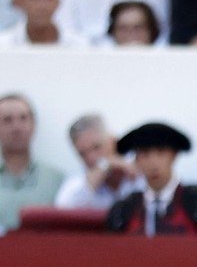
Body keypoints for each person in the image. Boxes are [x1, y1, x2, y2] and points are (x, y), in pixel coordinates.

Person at [106, 119, 197, 234]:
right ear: (137, 159)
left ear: (173, 155)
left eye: (161, 153)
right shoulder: (124, 210)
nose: (153, 163)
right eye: (145, 154)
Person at [0, 92, 64, 230]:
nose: (16, 127)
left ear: (33, 124)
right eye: (7, 120)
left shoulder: (56, 180)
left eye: (23, 118)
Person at [54, 113, 138, 210]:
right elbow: (62, 212)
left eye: (96, 147)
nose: (91, 158)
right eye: (82, 154)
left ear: (113, 141)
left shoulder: (140, 169)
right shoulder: (77, 186)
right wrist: (104, 166)